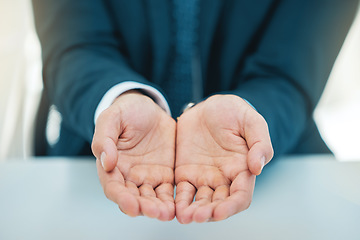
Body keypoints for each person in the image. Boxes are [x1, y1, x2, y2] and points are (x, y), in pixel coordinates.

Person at [32, 0, 358, 223]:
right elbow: (73, 45)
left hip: (275, 160)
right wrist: (123, 98)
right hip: (95, 161)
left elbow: (290, 69)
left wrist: (247, 122)